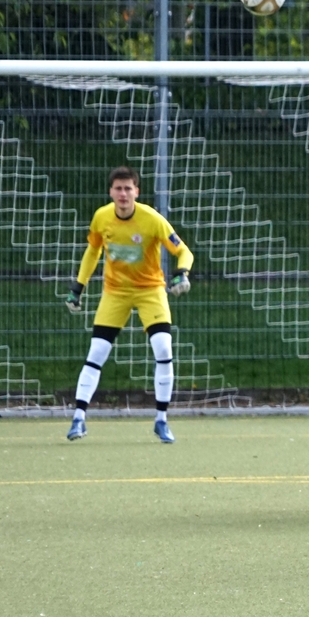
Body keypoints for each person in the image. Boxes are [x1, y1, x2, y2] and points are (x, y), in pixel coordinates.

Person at [64, 165, 193, 444]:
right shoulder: (101, 217)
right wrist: (78, 287)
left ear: (137, 192)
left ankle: (161, 420)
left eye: (128, 188)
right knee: (97, 351)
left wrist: (181, 273)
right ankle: (78, 418)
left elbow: (183, 250)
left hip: (150, 291)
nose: (123, 194)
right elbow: (92, 251)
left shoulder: (152, 219)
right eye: (118, 189)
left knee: (163, 347)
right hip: (116, 292)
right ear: (111, 192)